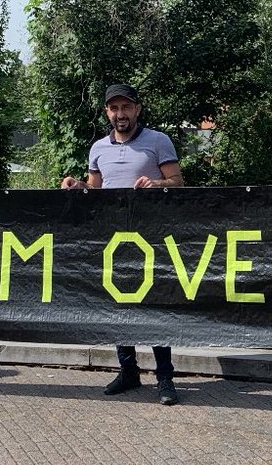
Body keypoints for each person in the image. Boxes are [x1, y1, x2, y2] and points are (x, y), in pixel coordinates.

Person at [62, 84, 184, 405]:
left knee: (155, 308)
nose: (120, 114)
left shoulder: (158, 141)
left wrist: (156, 184)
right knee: (118, 307)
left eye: (126, 107)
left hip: (151, 239)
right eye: (114, 108)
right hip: (114, 242)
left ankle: (165, 377)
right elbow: (95, 190)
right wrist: (78, 185)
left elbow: (178, 183)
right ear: (107, 112)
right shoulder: (98, 148)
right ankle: (128, 372)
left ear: (137, 109)